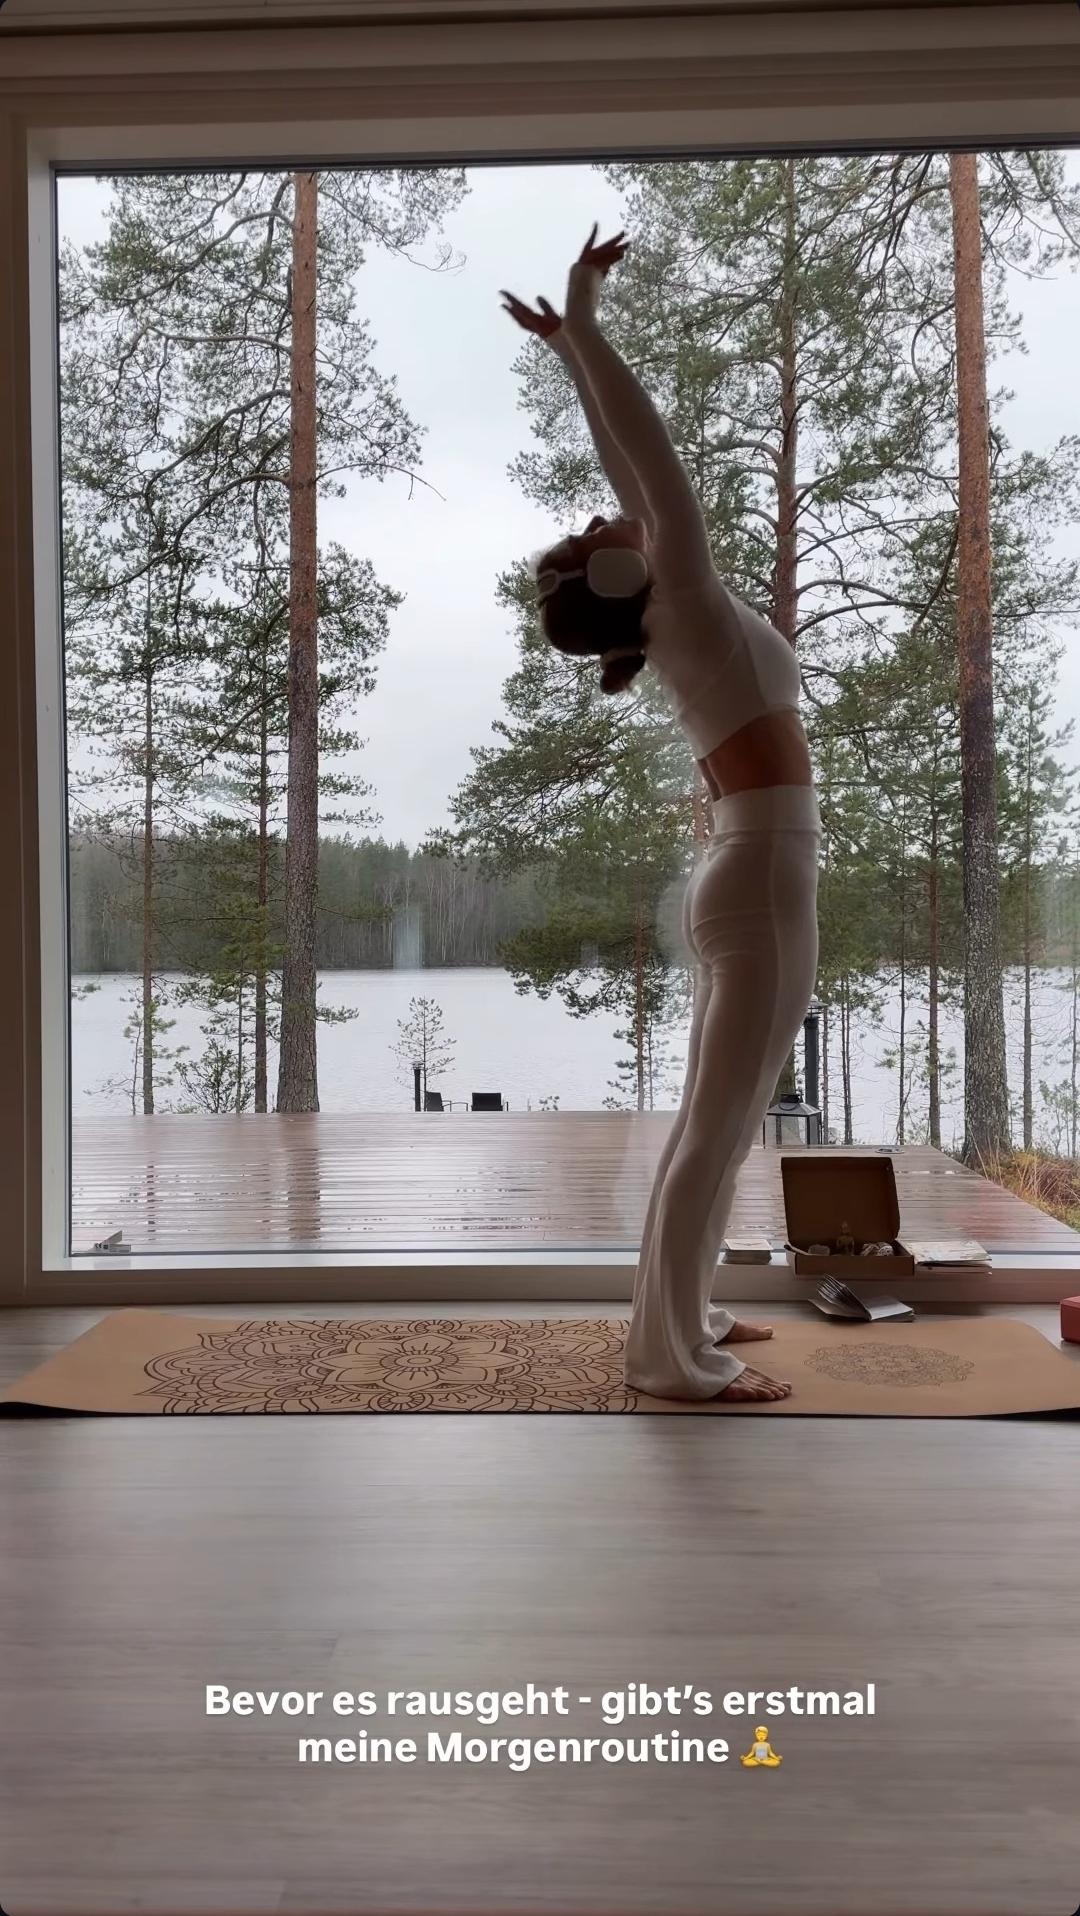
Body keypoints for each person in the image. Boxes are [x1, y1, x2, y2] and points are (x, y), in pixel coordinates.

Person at [501, 228, 820, 1404]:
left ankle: (687, 1316)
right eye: (596, 536)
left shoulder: (678, 607)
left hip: (747, 867)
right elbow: (654, 458)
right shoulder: (678, 594)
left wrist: (568, 355)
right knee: (718, 1126)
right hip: (761, 874)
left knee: (715, 1122)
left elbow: (631, 474)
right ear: (617, 579)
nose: (610, 517)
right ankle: (667, 1357)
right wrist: (586, 325)